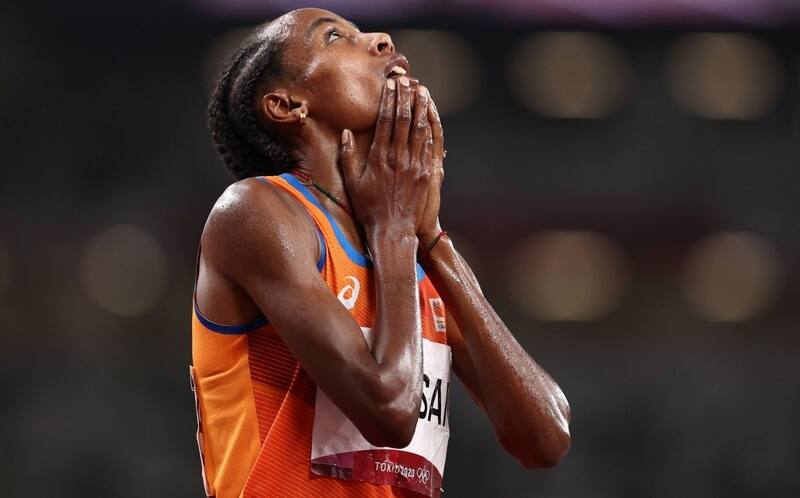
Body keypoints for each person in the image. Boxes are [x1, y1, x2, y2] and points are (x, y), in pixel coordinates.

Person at [191, 7, 571, 497]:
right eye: (334, 37)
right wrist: (396, 231)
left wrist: (431, 239)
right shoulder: (258, 212)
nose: (382, 39)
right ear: (287, 105)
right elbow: (389, 410)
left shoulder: (408, 252)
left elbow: (545, 438)